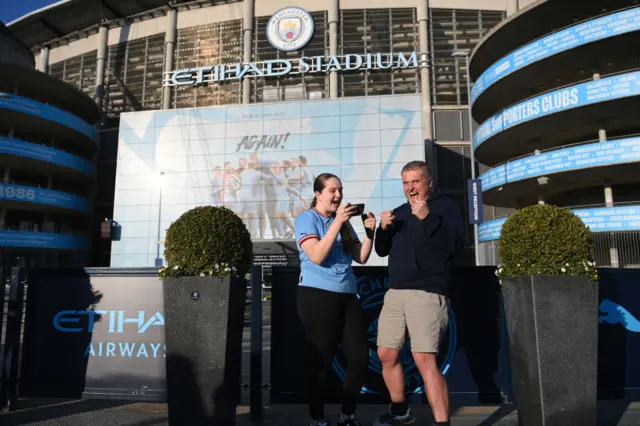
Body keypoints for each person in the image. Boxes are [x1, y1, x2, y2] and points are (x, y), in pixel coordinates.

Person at [372, 161, 464, 426]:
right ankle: (400, 412)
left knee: (424, 359)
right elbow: (381, 250)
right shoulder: (400, 212)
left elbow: (457, 244)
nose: (410, 188)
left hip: (427, 292)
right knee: (386, 354)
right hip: (395, 293)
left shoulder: (444, 207)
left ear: (429, 182)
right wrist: (383, 229)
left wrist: (429, 218)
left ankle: (442, 423)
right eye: (406, 183)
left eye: (416, 182)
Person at [296, 173, 377, 426]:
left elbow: (361, 257)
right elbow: (317, 255)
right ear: (318, 194)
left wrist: (370, 234)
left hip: (348, 294)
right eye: (332, 190)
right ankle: (317, 419)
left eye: (340, 189)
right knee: (322, 360)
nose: (338, 195)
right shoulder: (306, 219)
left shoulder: (343, 223)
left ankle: (346, 415)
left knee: (360, 358)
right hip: (316, 295)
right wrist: (337, 221)